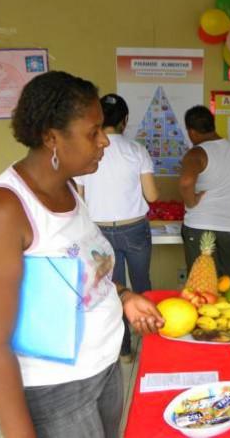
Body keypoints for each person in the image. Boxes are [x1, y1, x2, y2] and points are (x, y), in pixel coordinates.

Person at [0, 71, 164, 438]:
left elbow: (83, 271)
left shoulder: (70, 190)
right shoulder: (3, 209)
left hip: (103, 367)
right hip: (56, 390)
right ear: (51, 137)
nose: (104, 141)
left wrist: (124, 296)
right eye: (93, 132)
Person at [76, 93, 159, 362]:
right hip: (133, 228)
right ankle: (150, 343)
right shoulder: (137, 151)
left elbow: (78, 198)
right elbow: (153, 196)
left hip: (98, 232)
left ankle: (123, 351)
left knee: (111, 290)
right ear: (125, 121)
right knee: (141, 285)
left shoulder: (86, 152)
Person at [179, 105, 230, 277]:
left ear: (192, 132)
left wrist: (191, 201)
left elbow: (186, 182)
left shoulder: (197, 153)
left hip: (200, 225)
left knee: (200, 282)